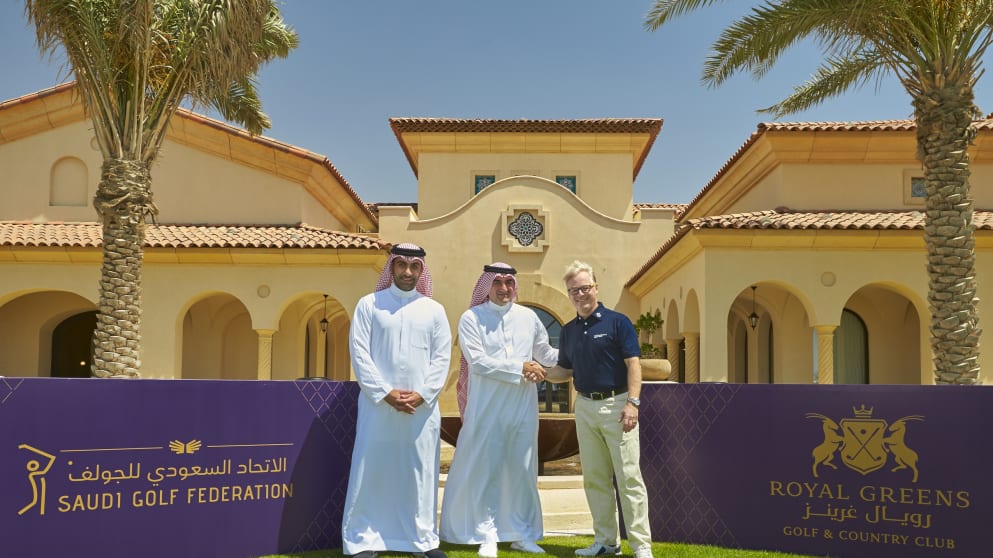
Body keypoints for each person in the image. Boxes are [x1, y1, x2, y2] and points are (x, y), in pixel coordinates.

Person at [440, 263, 559, 558]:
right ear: (487, 285)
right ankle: (486, 534)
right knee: (486, 469)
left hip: (522, 408)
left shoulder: (528, 317)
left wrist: (580, 352)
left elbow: (545, 354)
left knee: (522, 469)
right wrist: (522, 367)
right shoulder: (472, 318)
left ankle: (523, 534)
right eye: (497, 282)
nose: (504, 289)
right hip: (486, 408)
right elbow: (479, 363)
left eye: (509, 283)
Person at [342, 243, 452, 558]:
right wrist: (385, 393)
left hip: (421, 410)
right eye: (401, 264)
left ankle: (421, 540)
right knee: (372, 470)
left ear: (421, 270)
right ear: (391, 267)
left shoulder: (434, 310)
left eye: (414, 266)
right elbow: (359, 353)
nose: (407, 271)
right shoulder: (369, 304)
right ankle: (363, 539)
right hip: (378, 407)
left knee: (418, 474)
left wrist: (422, 394)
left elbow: (442, 358)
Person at [546, 260, 653, 558]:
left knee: (629, 478)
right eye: (573, 290)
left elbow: (634, 365)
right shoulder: (568, 331)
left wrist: (633, 402)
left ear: (596, 287)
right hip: (585, 406)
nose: (580, 294)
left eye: (585, 288)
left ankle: (641, 546)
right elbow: (564, 370)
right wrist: (541, 372)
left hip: (618, 405)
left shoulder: (618, 322)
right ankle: (606, 542)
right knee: (594, 478)